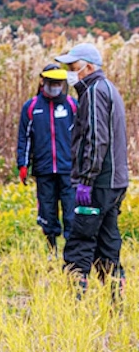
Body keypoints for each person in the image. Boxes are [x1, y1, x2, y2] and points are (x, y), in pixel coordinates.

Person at [55, 43, 129, 296]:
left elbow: (97, 139)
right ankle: (115, 298)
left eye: (73, 66)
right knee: (107, 242)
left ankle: (74, 301)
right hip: (114, 182)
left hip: (98, 182)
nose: (70, 72)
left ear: (88, 66)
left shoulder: (95, 91)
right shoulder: (108, 89)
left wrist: (86, 179)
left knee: (80, 240)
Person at [16, 65, 77, 251]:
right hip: (44, 169)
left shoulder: (72, 105)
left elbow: (82, 137)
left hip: (69, 169)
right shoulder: (32, 107)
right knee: (48, 211)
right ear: (43, 82)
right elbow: (24, 138)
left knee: (70, 212)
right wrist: (23, 164)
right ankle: (52, 248)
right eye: (52, 83)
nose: (55, 86)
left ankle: (71, 250)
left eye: (59, 83)